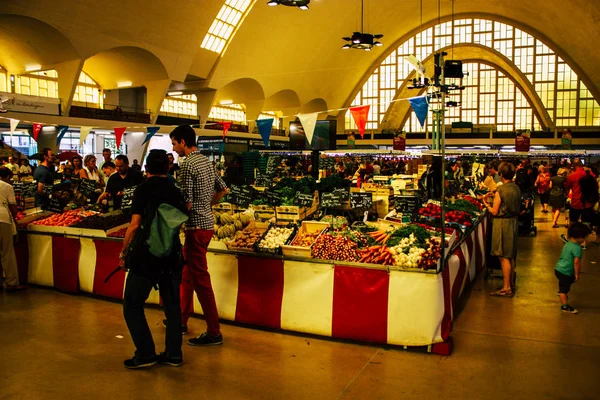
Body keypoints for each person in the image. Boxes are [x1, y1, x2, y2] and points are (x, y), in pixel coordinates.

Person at [120, 149, 188, 369]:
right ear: (168, 168)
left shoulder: (142, 190)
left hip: (145, 257)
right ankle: (174, 354)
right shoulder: (176, 191)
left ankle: (146, 353)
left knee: (132, 304)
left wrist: (123, 253)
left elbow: (135, 225)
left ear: (146, 168)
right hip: (171, 255)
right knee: (172, 306)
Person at [170, 125, 228, 345]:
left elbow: (186, 202)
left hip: (194, 228)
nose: (174, 148)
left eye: (175, 143)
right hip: (207, 226)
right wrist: (207, 205)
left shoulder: (186, 166)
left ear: (183, 142)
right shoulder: (206, 161)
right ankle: (181, 320)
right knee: (188, 274)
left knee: (201, 280)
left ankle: (214, 332)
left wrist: (172, 227)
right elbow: (223, 189)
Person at [483, 162, 521, 297]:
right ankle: (510, 283)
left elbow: (494, 211)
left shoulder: (501, 190)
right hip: (513, 223)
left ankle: (506, 288)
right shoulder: (516, 188)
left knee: (503, 256)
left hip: (502, 224)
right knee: (510, 255)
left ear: (501, 174)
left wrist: (486, 203)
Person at [555, 223, 591, 314]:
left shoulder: (568, 244)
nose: (585, 239)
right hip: (566, 272)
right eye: (584, 237)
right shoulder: (577, 249)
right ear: (579, 237)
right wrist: (577, 274)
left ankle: (561, 291)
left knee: (563, 283)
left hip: (558, 269)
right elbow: (576, 263)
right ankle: (564, 306)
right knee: (565, 289)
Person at [0, 168, 26, 292]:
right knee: (7, 252)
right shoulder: (6, 186)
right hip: (2, 219)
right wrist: (16, 217)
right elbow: (13, 208)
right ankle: (11, 283)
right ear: (5, 177)